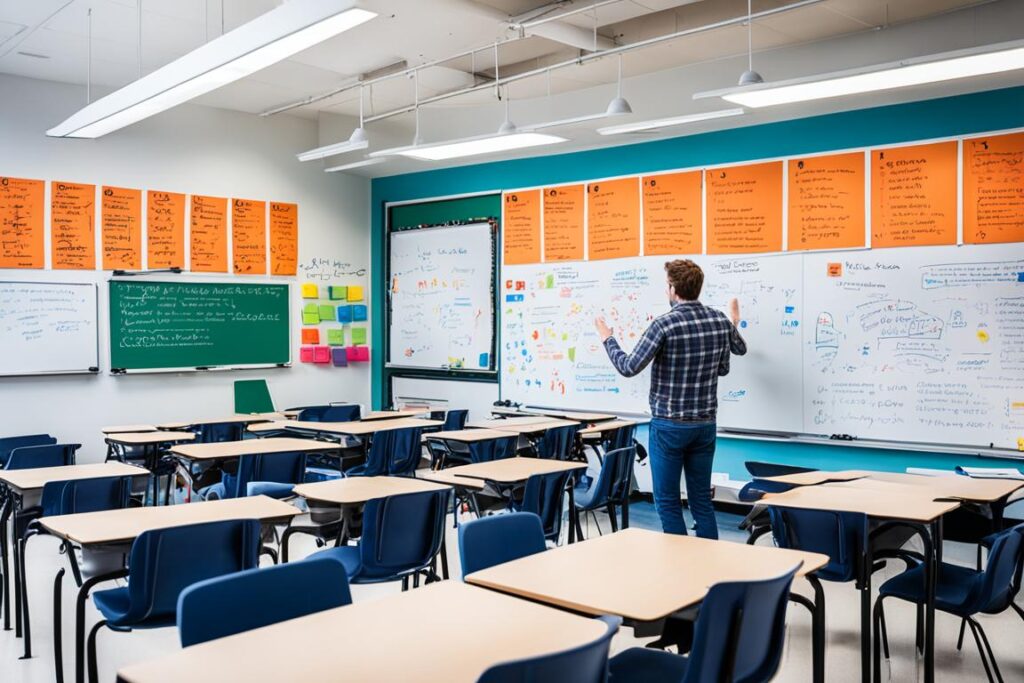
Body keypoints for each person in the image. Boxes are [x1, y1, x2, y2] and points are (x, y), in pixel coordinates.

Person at [594, 259, 746, 539]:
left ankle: (679, 566)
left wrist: (607, 339)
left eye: (667, 285)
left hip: (669, 426)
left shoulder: (664, 324)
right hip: (704, 425)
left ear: (674, 289)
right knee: (701, 499)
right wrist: (733, 322)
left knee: (667, 500)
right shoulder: (718, 320)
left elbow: (629, 367)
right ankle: (709, 564)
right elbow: (732, 358)